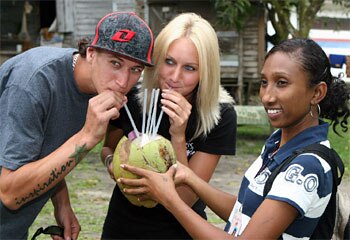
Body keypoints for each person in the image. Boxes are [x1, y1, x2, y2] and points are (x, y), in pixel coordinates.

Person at [118, 38, 350, 239]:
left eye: (282, 83)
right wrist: (191, 179)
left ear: (317, 93)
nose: (267, 96)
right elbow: (244, 211)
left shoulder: (306, 166)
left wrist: (170, 199)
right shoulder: (278, 144)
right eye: (264, 82)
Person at [0, 12, 154, 239]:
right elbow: (10, 194)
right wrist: (87, 136)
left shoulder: (98, 87)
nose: (123, 81)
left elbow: (45, 143)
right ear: (91, 53)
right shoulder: (34, 83)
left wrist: (61, 202)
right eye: (115, 63)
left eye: (135, 69)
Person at [100, 12, 237, 239]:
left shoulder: (220, 115)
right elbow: (108, 149)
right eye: (169, 61)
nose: (174, 77)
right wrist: (111, 164)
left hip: (179, 229)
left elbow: (185, 198)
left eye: (190, 68)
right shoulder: (134, 95)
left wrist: (178, 135)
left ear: (206, 71)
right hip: (123, 225)